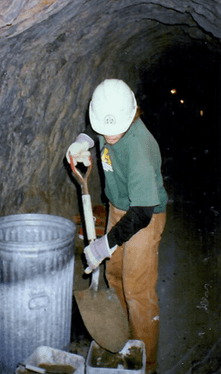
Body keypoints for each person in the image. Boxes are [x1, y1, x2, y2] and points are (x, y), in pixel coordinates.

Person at [66, 79, 167, 374]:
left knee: (138, 290)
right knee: (114, 274)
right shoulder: (108, 124)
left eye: (116, 131)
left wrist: (105, 242)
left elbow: (142, 214)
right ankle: (125, 344)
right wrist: (81, 142)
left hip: (142, 216)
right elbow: (95, 131)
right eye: (103, 130)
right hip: (117, 207)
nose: (109, 137)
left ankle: (148, 365)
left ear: (131, 116)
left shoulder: (139, 150)